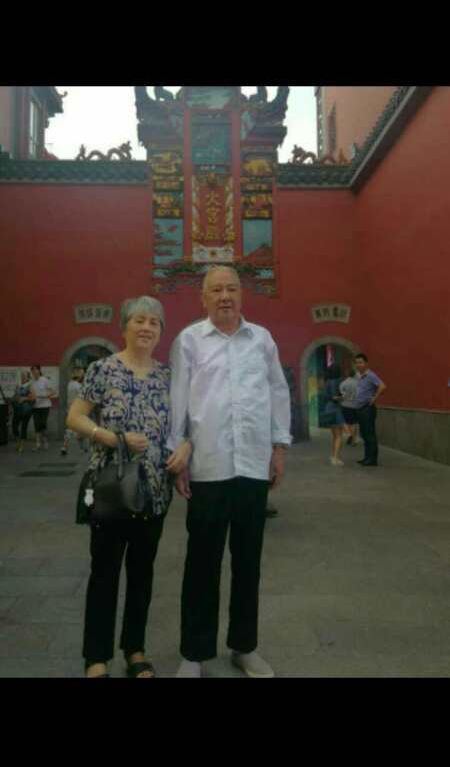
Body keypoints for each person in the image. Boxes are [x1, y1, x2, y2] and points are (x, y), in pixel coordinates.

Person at [169, 265, 291, 679]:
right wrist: (177, 455)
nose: (225, 296)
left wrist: (279, 447)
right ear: (203, 297)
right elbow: (178, 399)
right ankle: (194, 652)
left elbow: (277, 390)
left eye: (232, 289)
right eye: (217, 290)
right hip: (207, 466)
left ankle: (244, 646)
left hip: (253, 466)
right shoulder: (189, 340)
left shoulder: (262, 340)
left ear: (242, 294)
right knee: (201, 564)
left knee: (248, 562)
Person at [67, 296, 191, 678]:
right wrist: (108, 436)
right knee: (104, 572)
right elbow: (75, 416)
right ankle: (96, 656)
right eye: (139, 320)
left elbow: (183, 426)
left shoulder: (168, 376)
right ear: (124, 326)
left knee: (142, 574)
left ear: (161, 331)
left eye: (154, 322)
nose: (146, 328)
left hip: (154, 491)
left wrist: (186, 447)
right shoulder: (103, 369)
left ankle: (135, 650)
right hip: (112, 487)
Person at [354, 353, 387, 467]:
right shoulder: (359, 376)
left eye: (360, 362)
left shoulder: (371, 375)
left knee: (369, 434)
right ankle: (367, 457)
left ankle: (373, 459)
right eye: (356, 362)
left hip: (367, 409)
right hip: (360, 408)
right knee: (364, 434)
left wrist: (374, 398)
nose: (358, 365)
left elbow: (382, 386)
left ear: (366, 363)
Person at [319, 364, 346, 466]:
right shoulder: (340, 381)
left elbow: (324, 395)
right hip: (337, 408)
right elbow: (344, 395)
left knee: (335, 436)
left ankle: (334, 456)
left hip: (329, 408)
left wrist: (331, 397)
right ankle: (335, 458)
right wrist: (338, 398)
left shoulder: (327, 382)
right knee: (339, 436)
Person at [61, 368, 87, 456]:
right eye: (82, 374)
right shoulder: (78, 386)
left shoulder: (70, 384)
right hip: (78, 410)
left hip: (70, 409)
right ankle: (81, 448)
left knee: (71, 429)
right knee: (80, 429)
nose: (83, 376)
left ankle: (66, 447)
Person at [29, 365, 55, 451]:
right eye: (32, 371)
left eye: (35, 370)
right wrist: (30, 397)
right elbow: (31, 394)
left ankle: (45, 439)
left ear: (39, 371)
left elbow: (53, 392)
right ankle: (37, 444)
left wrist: (43, 396)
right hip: (35, 406)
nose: (34, 372)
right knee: (36, 424)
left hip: (45, 405)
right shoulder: (31, 382)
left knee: (42, 424)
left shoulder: (45, 380)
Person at [12, 371, 34, 452]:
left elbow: (33, 397)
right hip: (17, 408)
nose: (22, 377)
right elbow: (15, 396)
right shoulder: (19, 385)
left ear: (28, 377)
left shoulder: (30, 385)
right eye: (22, 376)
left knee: (23, 427)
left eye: (24, 376)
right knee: (14, 425)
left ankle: (21, 445)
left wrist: (24, 398)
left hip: (26, 409)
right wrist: (15, 396)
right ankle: (18, 441)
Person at [339, 368, 360, 446]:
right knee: (355, 423)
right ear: (354, 375)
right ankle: (354, 439)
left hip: (346, 405)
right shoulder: (358, 383)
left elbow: (342, 395)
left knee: (348, 422)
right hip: (356, 405)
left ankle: (351, 436)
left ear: (347, 374)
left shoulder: (343, 383)